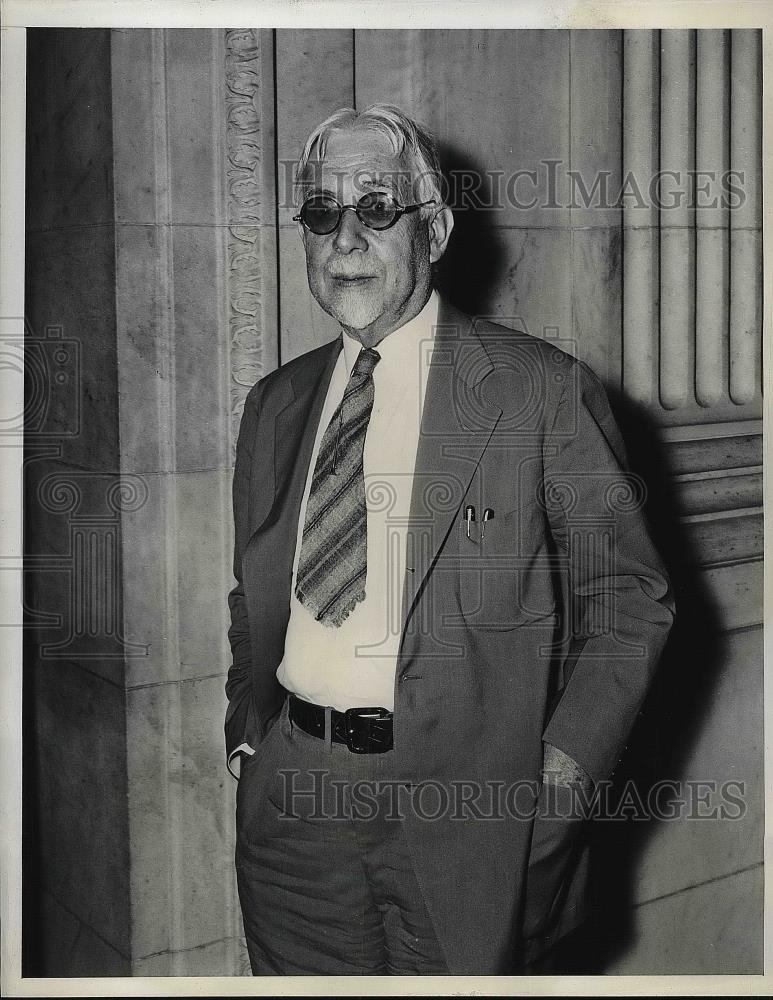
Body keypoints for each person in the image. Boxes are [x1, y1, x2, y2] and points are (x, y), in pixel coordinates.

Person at [225, 103, 674, 975]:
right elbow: (255, 595)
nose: (344, 237)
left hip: (472, 818)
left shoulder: (537, 392)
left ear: (432, 227)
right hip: (291, 816)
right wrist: (249, 734)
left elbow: (629, 601)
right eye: (321, 211)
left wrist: (560, 781)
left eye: (376, 208)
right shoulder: (274, 406)